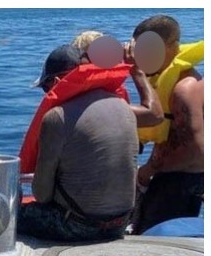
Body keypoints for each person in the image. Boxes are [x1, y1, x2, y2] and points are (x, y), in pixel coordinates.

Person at [17, 44, 137, 242]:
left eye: (46, 88)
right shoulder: (123, 106)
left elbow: (41, 194)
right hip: (120, 224)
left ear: (56, 81)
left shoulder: (57, 117)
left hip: (79, 226)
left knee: (5, 215)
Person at [129, 14, 204, 234]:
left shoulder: (184, 89)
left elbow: (197, 152)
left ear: (172, 47)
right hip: (169, 177)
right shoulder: (163, 81)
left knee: (152, 240)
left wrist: (149, 170)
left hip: (182, 183)